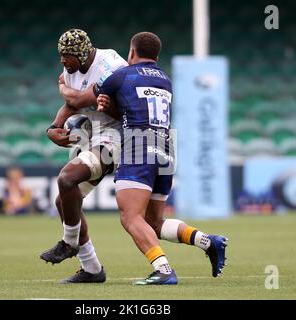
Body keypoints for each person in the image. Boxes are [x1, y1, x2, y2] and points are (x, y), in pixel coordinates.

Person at [95, 32, 228, 284]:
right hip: (166, 147)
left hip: (138, 144)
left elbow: (93, 95)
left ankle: (164, 270)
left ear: (131, 53)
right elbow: (131, 106)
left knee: (130, 216)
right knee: (153, 222)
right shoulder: (165, 80)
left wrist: (67, 88)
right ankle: (208, 241)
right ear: (156, 56)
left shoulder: (123, 74)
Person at [39, 29, 128, 283]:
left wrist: (67, 92)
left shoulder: (109, 63)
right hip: (98, 135)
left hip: (121, 135)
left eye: (66, 56)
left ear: (81, 52)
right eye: (61, 56)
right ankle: (92, 269)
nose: (63, 62)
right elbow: (72, 103)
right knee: (65, 202)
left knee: (67, 178)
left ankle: (68, 243)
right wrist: (53, 128)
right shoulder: (71, 71)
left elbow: (78, 98)